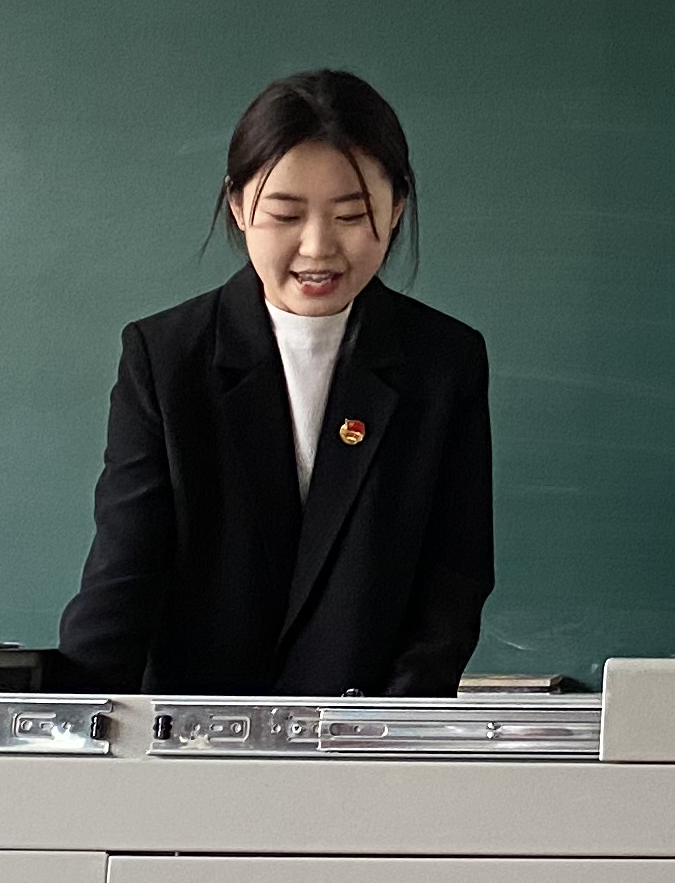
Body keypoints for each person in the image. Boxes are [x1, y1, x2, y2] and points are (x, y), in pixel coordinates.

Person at [56, 69, 495, 693]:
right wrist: (76, 727)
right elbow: (123, 578)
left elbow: (451, 583)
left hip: (367, 734)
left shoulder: (443, 362)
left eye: (351, 215)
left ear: (396, 206)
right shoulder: (166, 357)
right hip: (194, 733)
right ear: (238, 207)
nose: (317, 249)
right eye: (286, 215)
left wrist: (385, 731)